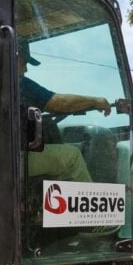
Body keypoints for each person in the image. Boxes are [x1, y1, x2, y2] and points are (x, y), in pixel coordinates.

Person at [19, 39, 111, 182]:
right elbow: (60, 103)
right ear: (15, 57)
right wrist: (95, 101)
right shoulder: (17, 83)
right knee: (71, 157)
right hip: (13, 160)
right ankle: (86, 202)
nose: (26, 69)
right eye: (24, 63)